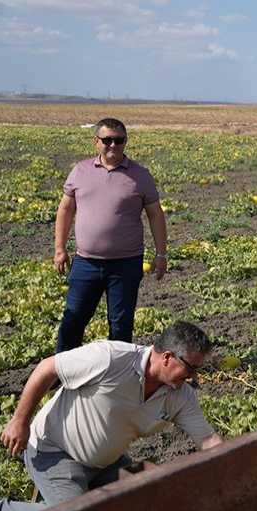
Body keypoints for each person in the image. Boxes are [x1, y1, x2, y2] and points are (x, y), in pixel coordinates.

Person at [0, 321, 223, 511]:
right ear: (167, 357)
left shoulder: (180, 395)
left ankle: (67, 503)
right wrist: (19, 421)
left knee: (154, 490)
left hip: (108, 463)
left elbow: (208, 440)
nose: (193, 377)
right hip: (55, 453)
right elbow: (48, 368)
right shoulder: (112, 358)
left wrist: (231, 464)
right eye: (190, 369)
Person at [54, 117, 168, 353]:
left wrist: (161, 254)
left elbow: (155, 215)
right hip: (86, 262)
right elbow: (65, 209)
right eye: (107, 140)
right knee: (73, 320)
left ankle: (118, 375)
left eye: (119, 140)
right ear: (96, 142)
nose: (113, 146)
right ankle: (63, 373)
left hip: (126, 264)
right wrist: (60, 249)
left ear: (125, 142)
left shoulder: (141, 176)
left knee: (120, 326)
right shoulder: (80, 171)